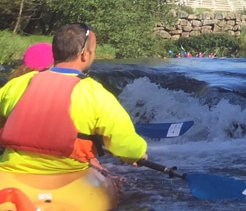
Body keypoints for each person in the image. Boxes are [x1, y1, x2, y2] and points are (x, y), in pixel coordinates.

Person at [0, 23, 148, 174]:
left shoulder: (18, 84)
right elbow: (125, 143)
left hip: (10, 172)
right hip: (68, 175)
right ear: (84, 54)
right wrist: (136, 154)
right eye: (93, 51)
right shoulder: (96, 94)